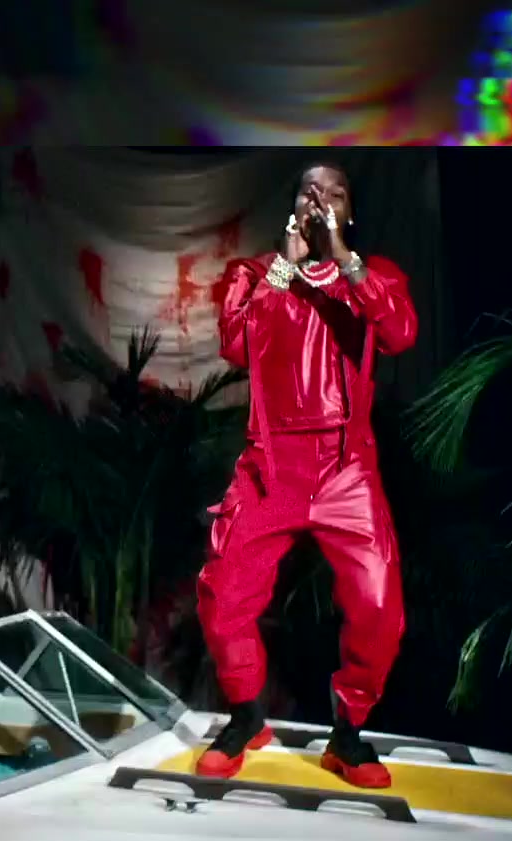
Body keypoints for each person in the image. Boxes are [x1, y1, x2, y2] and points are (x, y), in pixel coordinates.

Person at [194, 162, 418, 789]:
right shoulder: (255, 276)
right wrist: (283, 268)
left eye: (335, 194)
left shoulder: (373, 275)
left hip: (346, 468)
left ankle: (347, 732)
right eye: (309, 192)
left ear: (350, 212)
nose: (321, 202)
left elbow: (399, 333)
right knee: (223, 595)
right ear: (292, 206)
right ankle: (246, 717)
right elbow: (237, 344)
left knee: (379, 604)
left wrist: (343, 259)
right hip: (272, 467)